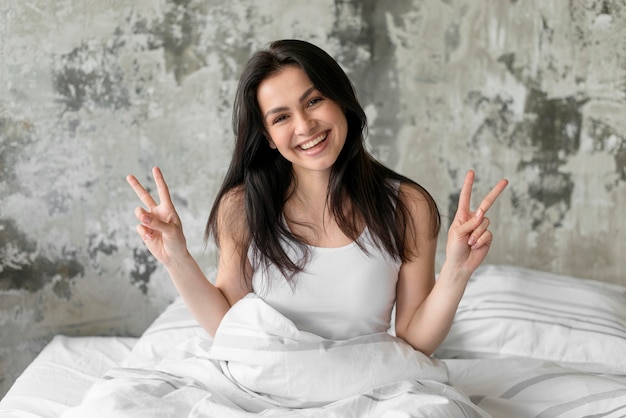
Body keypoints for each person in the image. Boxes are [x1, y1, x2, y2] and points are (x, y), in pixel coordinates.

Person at [127, 39, 508, 357]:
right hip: (264, 386)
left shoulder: (407, 207)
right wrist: (176, 256)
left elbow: (413, 340)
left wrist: (457, 271)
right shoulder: (242, 208)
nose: (305, 126)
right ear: (269, 138)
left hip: (370, 385)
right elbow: (228, 329)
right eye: (281, 118)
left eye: (313, 101)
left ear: (342, 101)